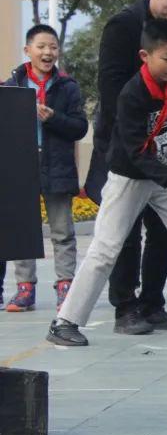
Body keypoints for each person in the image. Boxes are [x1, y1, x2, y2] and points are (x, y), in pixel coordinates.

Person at [47, 19, 167, 346]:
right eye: (166, 58)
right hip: (129, 176)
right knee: (106, 248)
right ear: (145, 55)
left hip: (166, 179)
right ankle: (65, 322)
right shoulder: (132, 94)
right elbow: (136, 151)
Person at [87, 0, 167, 335]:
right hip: (125, 144)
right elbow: (111, 89)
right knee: (124, 229)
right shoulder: (123, 27)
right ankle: (126, 307)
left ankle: (153, 302)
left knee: (164, 228)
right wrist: (145, 127)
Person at [4, 25, 87, 313]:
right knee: (22, 230)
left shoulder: (68, 87)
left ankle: (65, 286)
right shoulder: (11, 86)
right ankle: (24, 289)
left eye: (52, 47)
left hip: (58, 166)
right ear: (28, 50)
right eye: (41, 46)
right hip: (20, 168)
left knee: (63, 231)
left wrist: (53, 118)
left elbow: (79, 127)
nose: (47, 52)